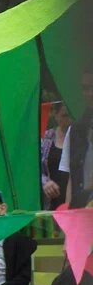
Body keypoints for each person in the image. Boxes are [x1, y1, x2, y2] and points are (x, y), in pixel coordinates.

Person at [58, 68, 93, 208]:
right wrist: (69, 213)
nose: (90, 93)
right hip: (81, 209)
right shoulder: (74, 130)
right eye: (86, 88)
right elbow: (71, 178)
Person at [41, 102, 71, 210]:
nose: (69, 120)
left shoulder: (81, 138)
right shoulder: (46, 138)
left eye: (71, 116)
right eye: (64, 116)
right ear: (56, 115)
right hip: (50, 201)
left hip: (73, 199)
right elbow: (34, 168)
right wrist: (45, 182)